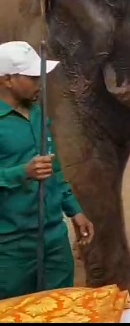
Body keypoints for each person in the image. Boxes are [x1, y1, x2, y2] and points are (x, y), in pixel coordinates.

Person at [0, 41, 94, 300]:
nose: (40, 82)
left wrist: (73, 209)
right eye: (32, 77)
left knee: (60, 304)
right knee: (13, 310)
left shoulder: (39, 113)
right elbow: (31, 170)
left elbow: (54, 167)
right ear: (7, 79)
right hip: (10, 243)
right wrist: (21, 173)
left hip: (53, 234)